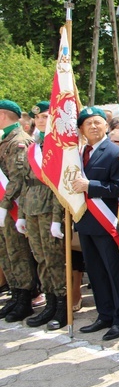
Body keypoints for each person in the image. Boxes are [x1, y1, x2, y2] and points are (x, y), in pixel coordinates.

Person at [74, 107, 119, 340]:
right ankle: (105, 314)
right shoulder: (77, 155)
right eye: (88, 124)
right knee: (96, 272)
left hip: (106, 222)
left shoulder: (114, 153)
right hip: (85, 222)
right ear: (81, 130)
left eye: (98, 122)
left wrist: (91, 186)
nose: (94, 127)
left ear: (106, 126)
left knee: (114, 271)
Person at [17, 101, 67, 328]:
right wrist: (22, 214)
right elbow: (26, 183)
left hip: (49, 210)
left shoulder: (56, 146)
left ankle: (62, 306)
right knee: (41, 259)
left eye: (45, 117)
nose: (41, 121)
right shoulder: (34, 146)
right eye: (38, 118)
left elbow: (58, 185)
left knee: (54, 259)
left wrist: (58, 218)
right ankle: (50, 302)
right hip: (33, 209)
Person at [0, 100, 36, 322]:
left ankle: (25, 298)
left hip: (15, 207)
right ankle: (15, 294)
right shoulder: (5, 139)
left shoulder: (19, 141)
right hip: (5, 206)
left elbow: (17, 179)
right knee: (6, 252)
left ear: (3, 116)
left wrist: (4, 206)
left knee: (18, 252)